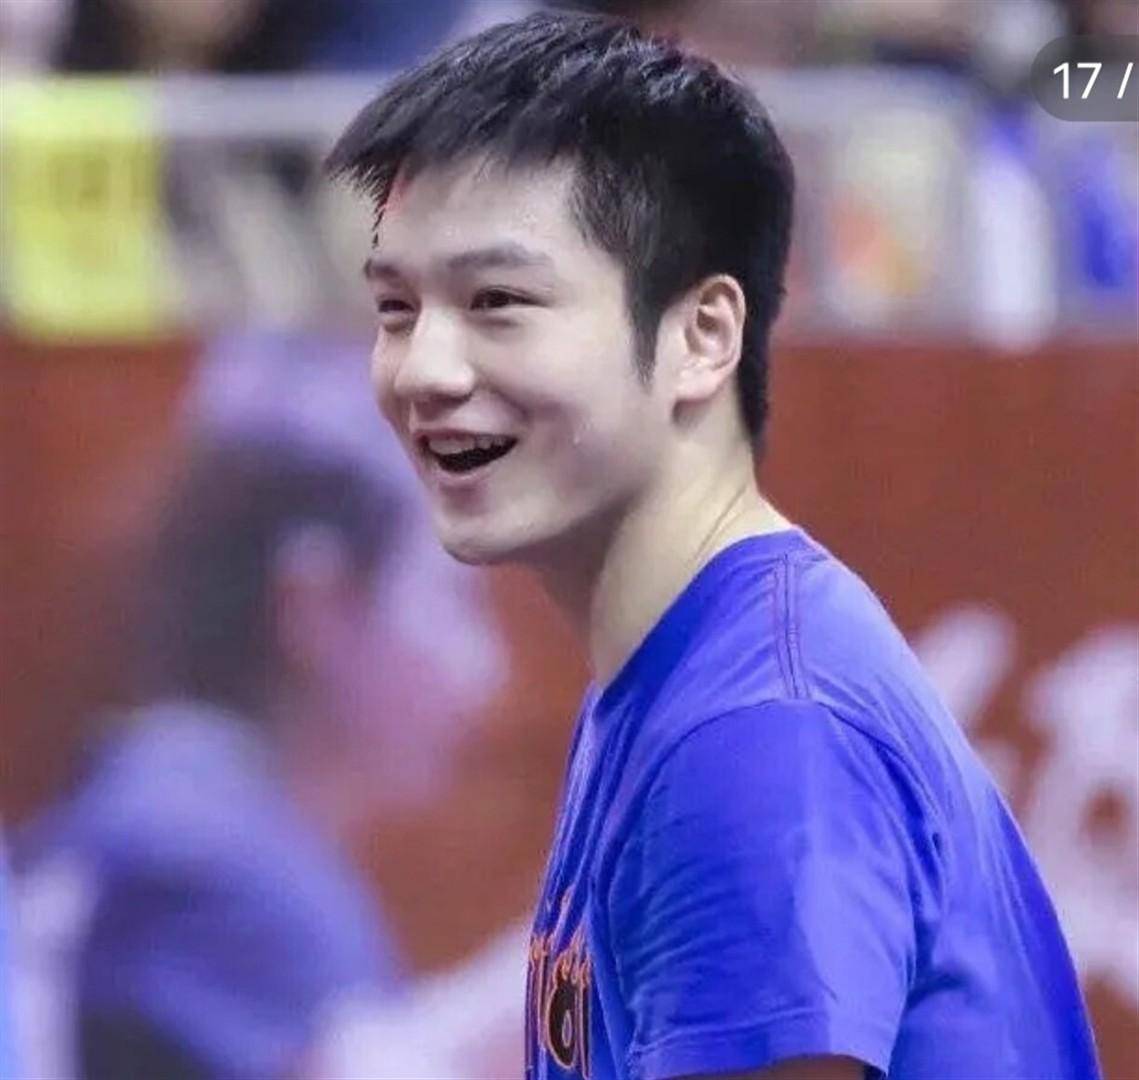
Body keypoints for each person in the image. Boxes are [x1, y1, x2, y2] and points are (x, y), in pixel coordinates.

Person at [327, 11, 1102, 1080]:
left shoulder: (757, 732)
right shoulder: (684, 670)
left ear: (702, 336)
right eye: (395, 308)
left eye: (496, 302)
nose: (424, 369)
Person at [10, 339, 423, 1080]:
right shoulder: (229, 868)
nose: (485, 664)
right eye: (452, 599)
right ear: (318, 604)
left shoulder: (153, 795)